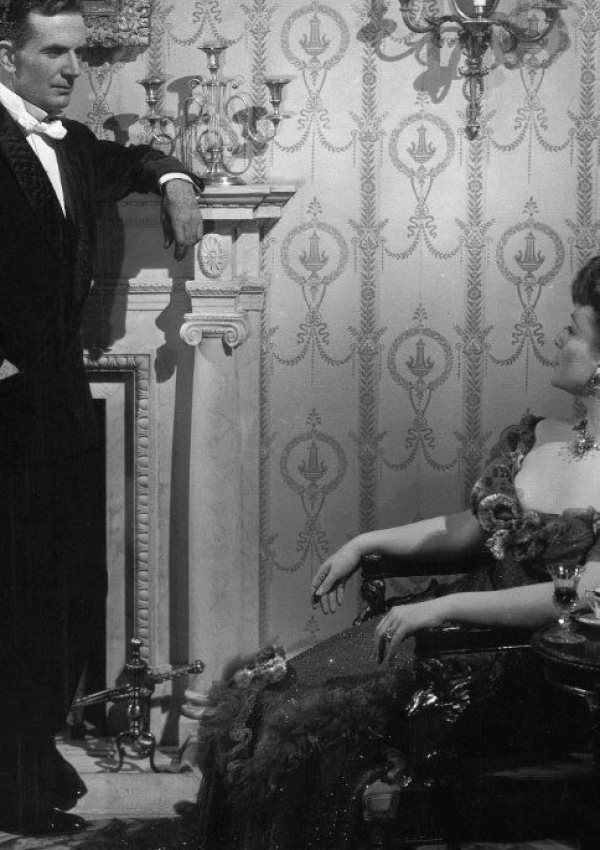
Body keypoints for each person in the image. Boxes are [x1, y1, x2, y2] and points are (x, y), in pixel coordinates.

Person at [194, 256, 600, 850]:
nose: (559, 340)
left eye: (573, 330)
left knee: (299, 723)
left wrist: (437, 609)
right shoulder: (540, 436)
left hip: (513, 656)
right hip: (447, 621)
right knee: (265, 696)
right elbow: (472, 528)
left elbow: (582, 594)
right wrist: (365, 542)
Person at [0, 0, 204, 836]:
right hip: (7, 408)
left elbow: (140, 159)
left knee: (68, 594)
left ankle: (29, 760)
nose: (71, 69)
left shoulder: (74, 145)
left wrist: (179, 181)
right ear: (8, 54)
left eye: (78, 52)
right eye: (53, 51)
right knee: (14, 602)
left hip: (62, 403)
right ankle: (14, 784)